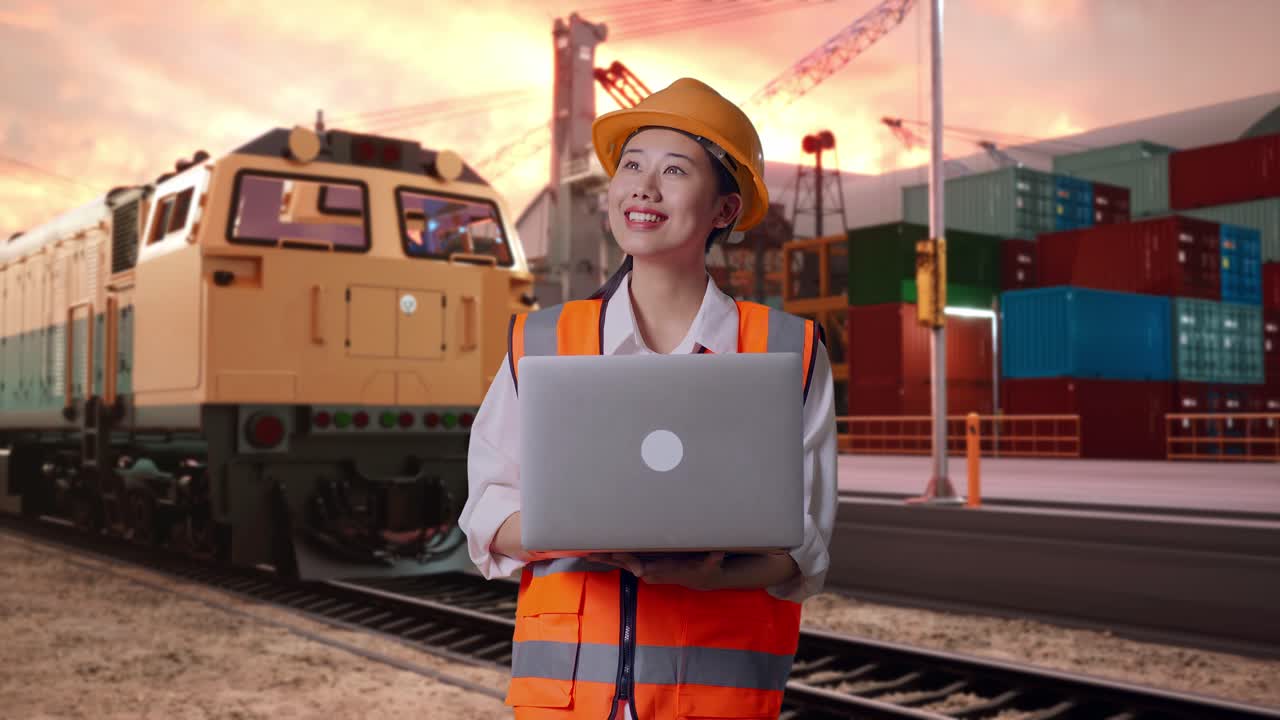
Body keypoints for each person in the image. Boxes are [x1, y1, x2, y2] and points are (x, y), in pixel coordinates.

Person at [459, 77, 838, 719]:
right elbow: (488, 513)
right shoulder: (543, 340)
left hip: (714, 706)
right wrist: (576, 534)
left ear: (723, 210)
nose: (643, 186)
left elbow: (805, 544)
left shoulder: (787, 350)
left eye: (674, 170)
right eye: (631, 165)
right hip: (565, 704)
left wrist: (711, 575)